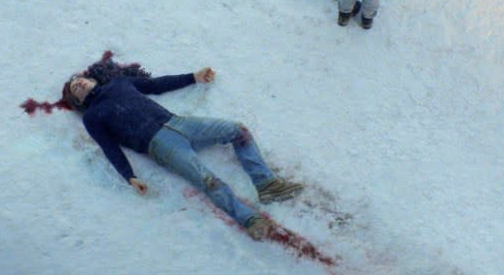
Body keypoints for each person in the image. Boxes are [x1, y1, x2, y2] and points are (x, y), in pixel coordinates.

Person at [22, 53, 303, 241]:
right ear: (79, 102)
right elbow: (110, 149)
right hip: (159, 146)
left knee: (237, 130)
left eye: (78, 80)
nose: (79, 84)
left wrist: (194, 76)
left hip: (179, 123)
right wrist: (129, 176)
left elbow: (156, 85)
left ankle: (267, 184)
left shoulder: (121, 84)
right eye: (75, 89)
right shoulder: (94, 117)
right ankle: (250, 221)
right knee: (208, 180)